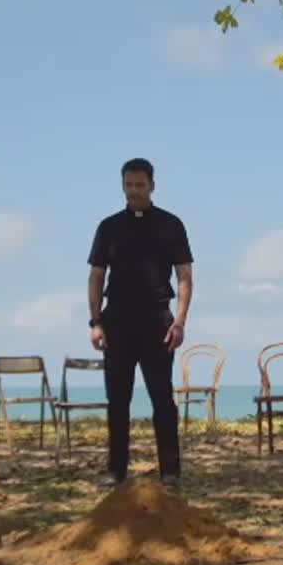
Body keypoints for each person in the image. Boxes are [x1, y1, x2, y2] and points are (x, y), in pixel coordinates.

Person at [86, 157, 194, 487]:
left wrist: (180, 321)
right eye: (129, 185)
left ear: (152, 186)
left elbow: (185, 277)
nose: (134, 191)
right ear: (123, 186)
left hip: (157, 322)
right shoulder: (108, 227)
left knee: (162, 399)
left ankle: (170, 471)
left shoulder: (171, 225)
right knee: (118, 401)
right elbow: (96, 277)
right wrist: (95, 322)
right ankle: (116, 470)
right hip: (117, 320)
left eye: (140, 185)